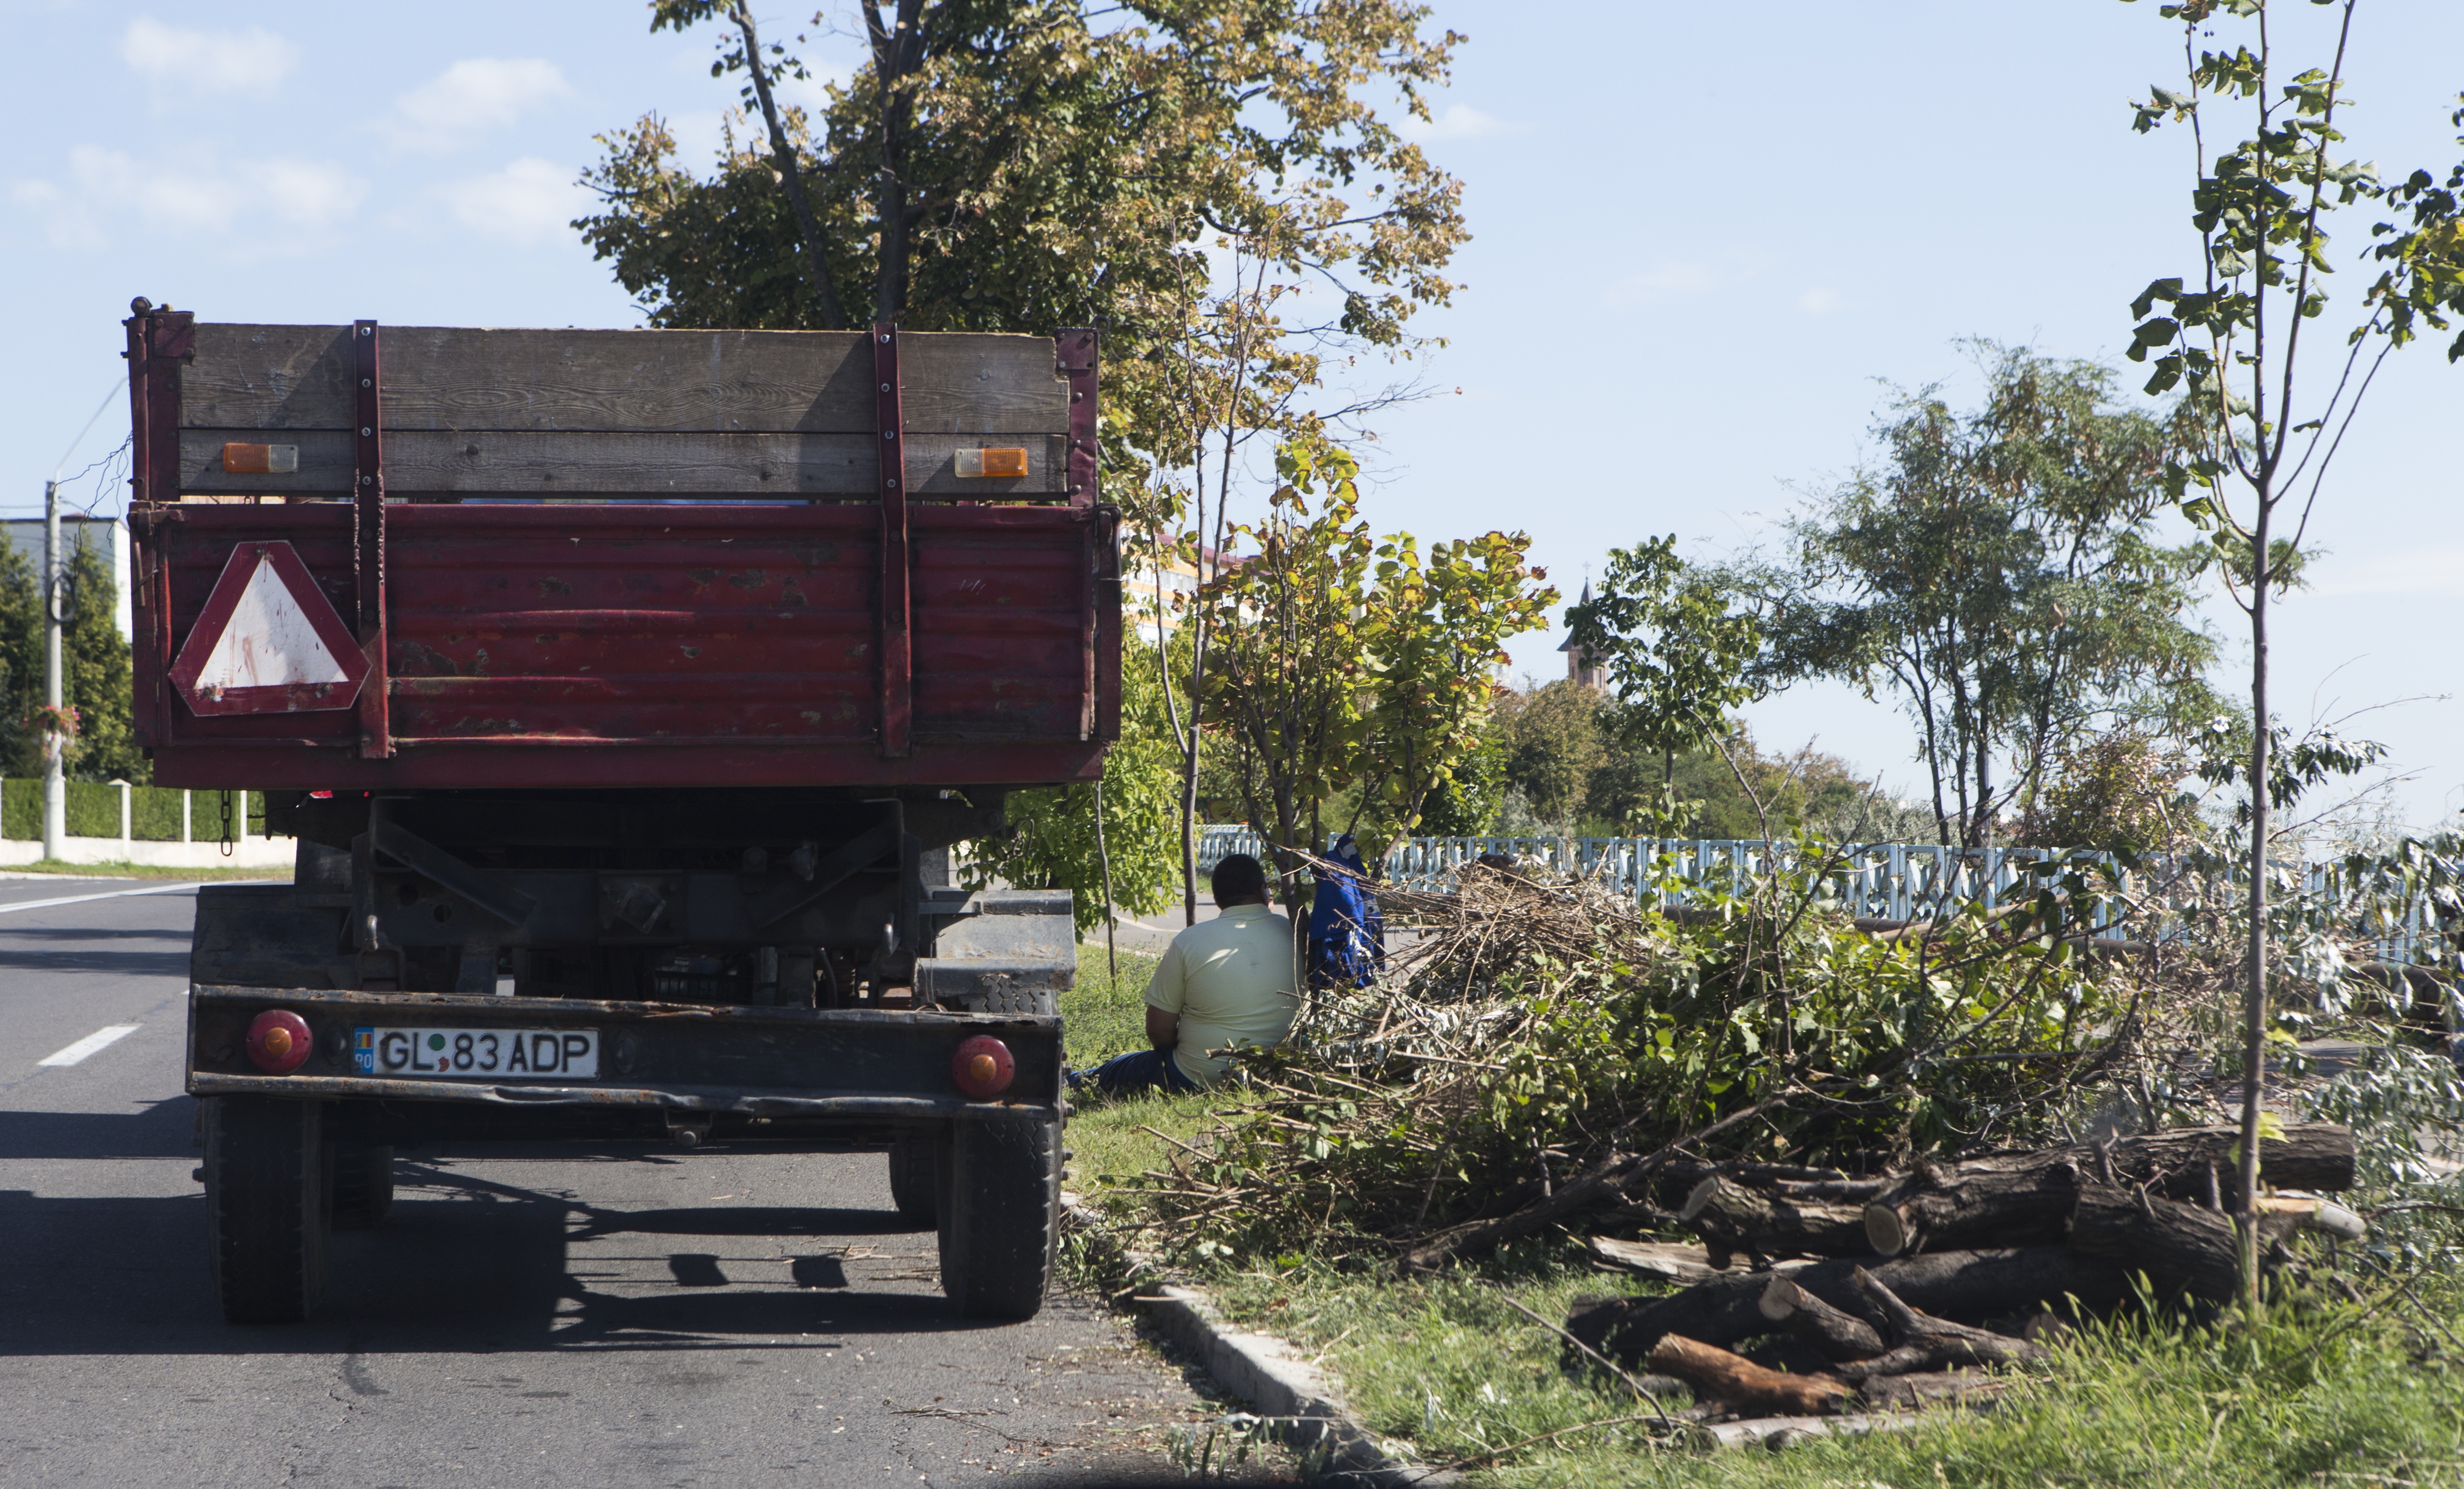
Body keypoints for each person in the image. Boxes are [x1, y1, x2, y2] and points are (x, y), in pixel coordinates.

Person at [1075, 853, 1299, 1096]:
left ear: (1216, 898)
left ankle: (1067, 1080)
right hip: (1279, 1074)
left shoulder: (1190, 941)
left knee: (1114, 1069)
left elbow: (1158, 1030)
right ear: (1264, 891)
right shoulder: (1297, 933)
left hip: (1196, 1076)